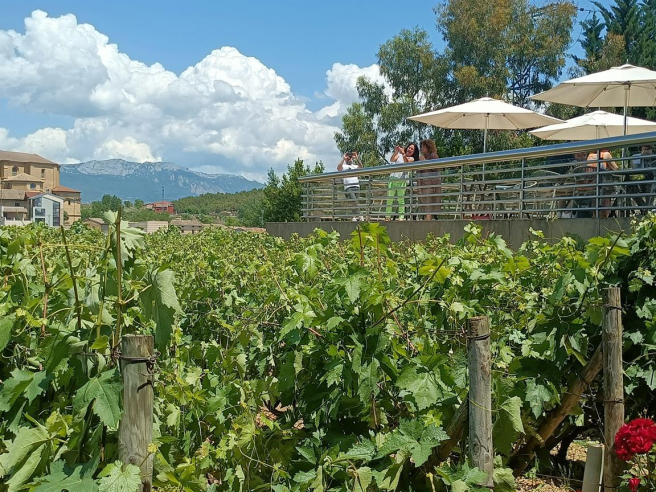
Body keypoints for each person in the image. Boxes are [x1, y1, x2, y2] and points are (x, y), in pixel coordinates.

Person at [386, 143, 418, 220]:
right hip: (393, 178)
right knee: (389, 199)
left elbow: (407, 162)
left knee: (401, 200)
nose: (409, 149)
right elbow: (392, 159)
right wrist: (396, 152)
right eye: (409, 147)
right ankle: (387, 217)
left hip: (402, 180)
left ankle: (401, 217)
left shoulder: (412, 158)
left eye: (412, 149)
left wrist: (403, 154)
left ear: (414, 152)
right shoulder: (399, 155)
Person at [584, 149, 619, 218]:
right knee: (603, 208)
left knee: (596, 206)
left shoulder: (589, 156)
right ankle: (604, 220)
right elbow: (616, 169)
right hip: (603, 186)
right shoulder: (606, 155)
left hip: (591, 186)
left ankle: (596, 218)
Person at [417, 139, 441, 220]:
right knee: (425, 204)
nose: (421, 148)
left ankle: (428, 220)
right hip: (423, 185)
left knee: (428, 204)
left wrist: (424, 162)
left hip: (430, 186)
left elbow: (436, 168)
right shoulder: (423, 158)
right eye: (421, 147)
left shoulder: (433, 156)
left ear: (428, 147)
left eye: (423, 146)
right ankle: (426, 219)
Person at [337, 151, 364, 221]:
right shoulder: (344, 166)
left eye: (351, 157)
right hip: (348, 187)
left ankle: (353, 216)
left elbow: (361, 168)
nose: (350, 159)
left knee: (355, 203)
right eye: (348, 158)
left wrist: (357, 158)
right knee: (354, 201)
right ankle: (360, 215)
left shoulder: (354, 166)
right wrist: (343, 158)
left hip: (356, 186)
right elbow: (338, 168)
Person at [629, 144, 654, 211]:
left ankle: (647, 208)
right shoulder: (638, 158)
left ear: (652, 150)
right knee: (631, 188)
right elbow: (635, 169)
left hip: (653, 180)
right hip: (642, 180)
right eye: (644, 149)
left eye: (648, 149)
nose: (646, 151)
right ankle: (644, 208)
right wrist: (639, 158)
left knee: (650, 187)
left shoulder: (654, 158)